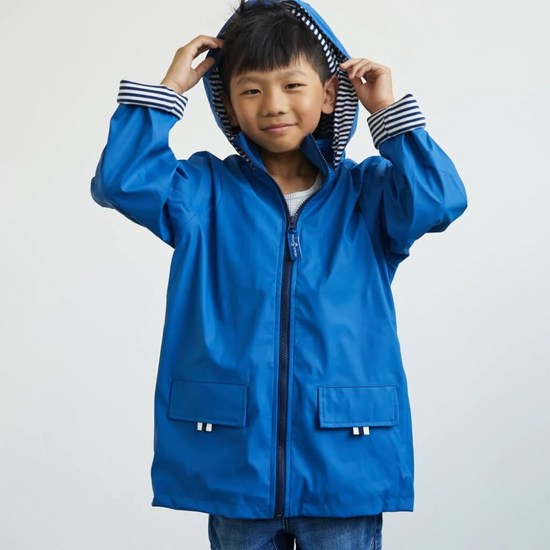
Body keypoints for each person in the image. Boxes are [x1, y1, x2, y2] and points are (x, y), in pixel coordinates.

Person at [90, 0, 468, 548]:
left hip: (345, 459)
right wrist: (168, 92)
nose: (273, 104)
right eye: (251, 90)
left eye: (292, 85)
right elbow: (120, 180)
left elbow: (440, 200)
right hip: (234, 459)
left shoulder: (369, 196)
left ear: (329, 94)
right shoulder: (201, 192)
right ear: (227, 103)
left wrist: (388, 114)